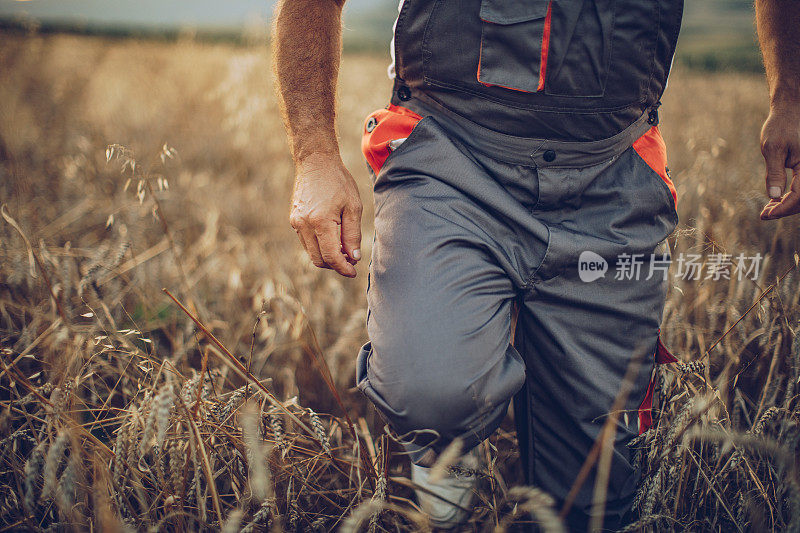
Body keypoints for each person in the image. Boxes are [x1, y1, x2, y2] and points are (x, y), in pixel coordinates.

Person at [273, 0, 800, 529]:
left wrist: (792, 94)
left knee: (593, 504)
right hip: (450, 157)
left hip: (612, 174)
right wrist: (315, 155)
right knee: (432, 394)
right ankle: (443, 477)